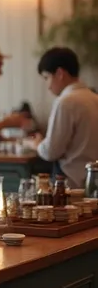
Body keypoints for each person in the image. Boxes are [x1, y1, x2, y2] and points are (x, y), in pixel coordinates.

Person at [33, 47, 98, 188]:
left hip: (71, 184)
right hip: (93, 181)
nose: (48, 86)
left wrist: (38, 144)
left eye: (47, 78)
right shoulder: (94, 98)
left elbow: (51, 151)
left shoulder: (66, 102)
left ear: (60, 73)